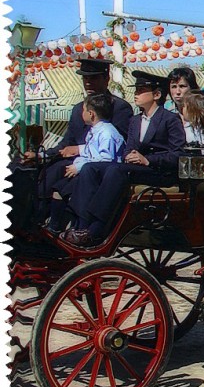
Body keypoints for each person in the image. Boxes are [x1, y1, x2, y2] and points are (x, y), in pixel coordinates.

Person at [63, 71, 186, 248]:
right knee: (90, 168)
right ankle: (81, 225)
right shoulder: (135, 120)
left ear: (157, 95)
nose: (136, 94)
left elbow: (178, 153)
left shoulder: (169, 119)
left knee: (116, 170)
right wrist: (129, 155)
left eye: (141, 90)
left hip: (158, 171)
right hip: (134, 168)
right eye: (136, 89)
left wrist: (147, 160)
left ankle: (97, 229)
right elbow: (128, 147)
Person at [22, 58, 133, 226]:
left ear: (106, 78)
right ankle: (33, 222)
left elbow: (116, 144)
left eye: (94, 78)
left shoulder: (119, 108)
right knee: (40, 172)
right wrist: (40, 155)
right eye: (85, 78)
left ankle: (57, 226)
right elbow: (65, 144)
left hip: (99, 166)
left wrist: (80, 150)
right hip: (74, 162)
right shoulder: (78, 109)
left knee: (62, 175)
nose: (88, 83)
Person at [46, 93, 125, 232]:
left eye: (83, 110)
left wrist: (79, 167)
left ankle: (68, 228)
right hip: (85, 173)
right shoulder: (95, 131)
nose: (81, 113)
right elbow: (91, 150)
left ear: (91, 114)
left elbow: (105, 160)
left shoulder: (107, 133)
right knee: (58, 188)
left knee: (64, 191)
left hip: (97, 179)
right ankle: (55, 227)